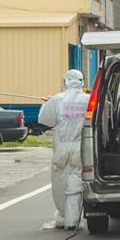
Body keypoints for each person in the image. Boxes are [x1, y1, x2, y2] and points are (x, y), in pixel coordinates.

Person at [38, 69, 90, 230]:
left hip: (62, 146)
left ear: (66, 81)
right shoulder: (88, 99)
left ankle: (62, 216)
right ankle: (72, 220)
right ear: (81, 81)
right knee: (76, 181)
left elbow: (45, 120)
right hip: (80, 147)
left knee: (60, 182)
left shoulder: (57, 99)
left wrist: (47, 102)